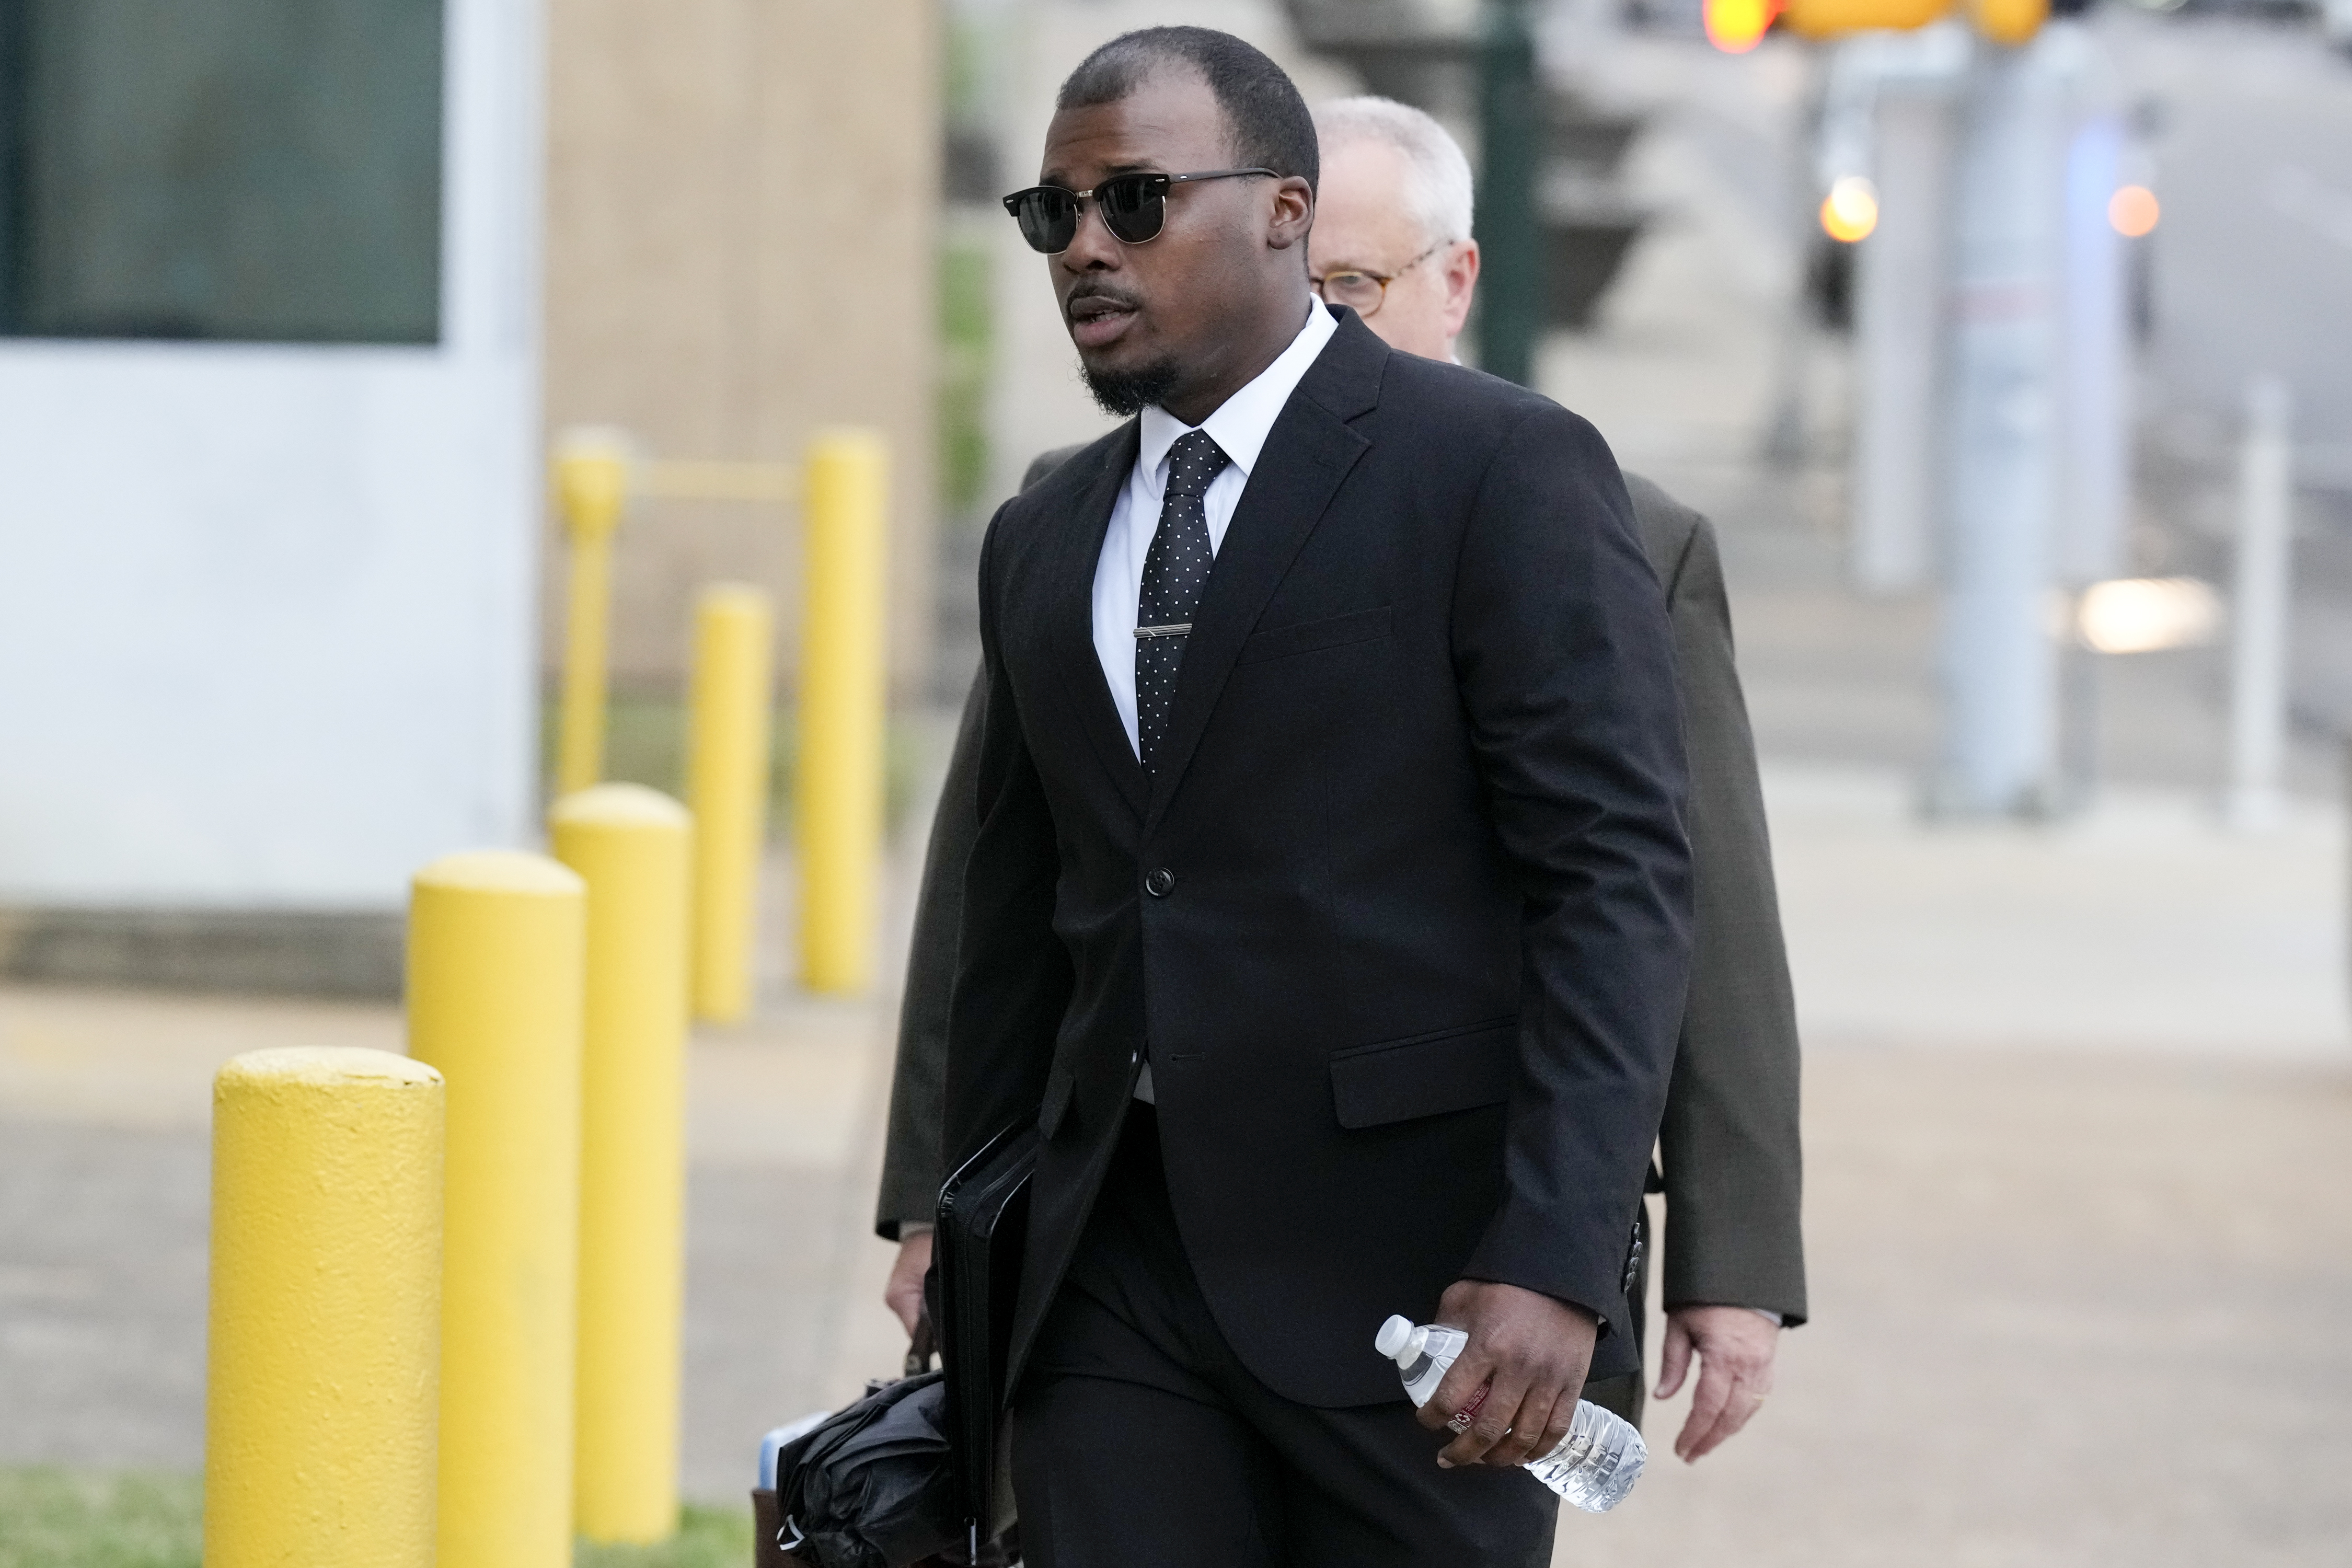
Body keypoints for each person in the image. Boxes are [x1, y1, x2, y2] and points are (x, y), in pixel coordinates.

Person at [877, 88, 1807, 1473]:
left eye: (1353, 288)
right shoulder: (1073, 515)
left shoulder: (1587, 518)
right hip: (1124, 1238)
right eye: (1290, 284)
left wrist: (1724, 1252)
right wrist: (937, 1193)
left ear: (1455, 284)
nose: (1306, 322)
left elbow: (1679, 897)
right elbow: (996, 879)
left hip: (1420, 1247)